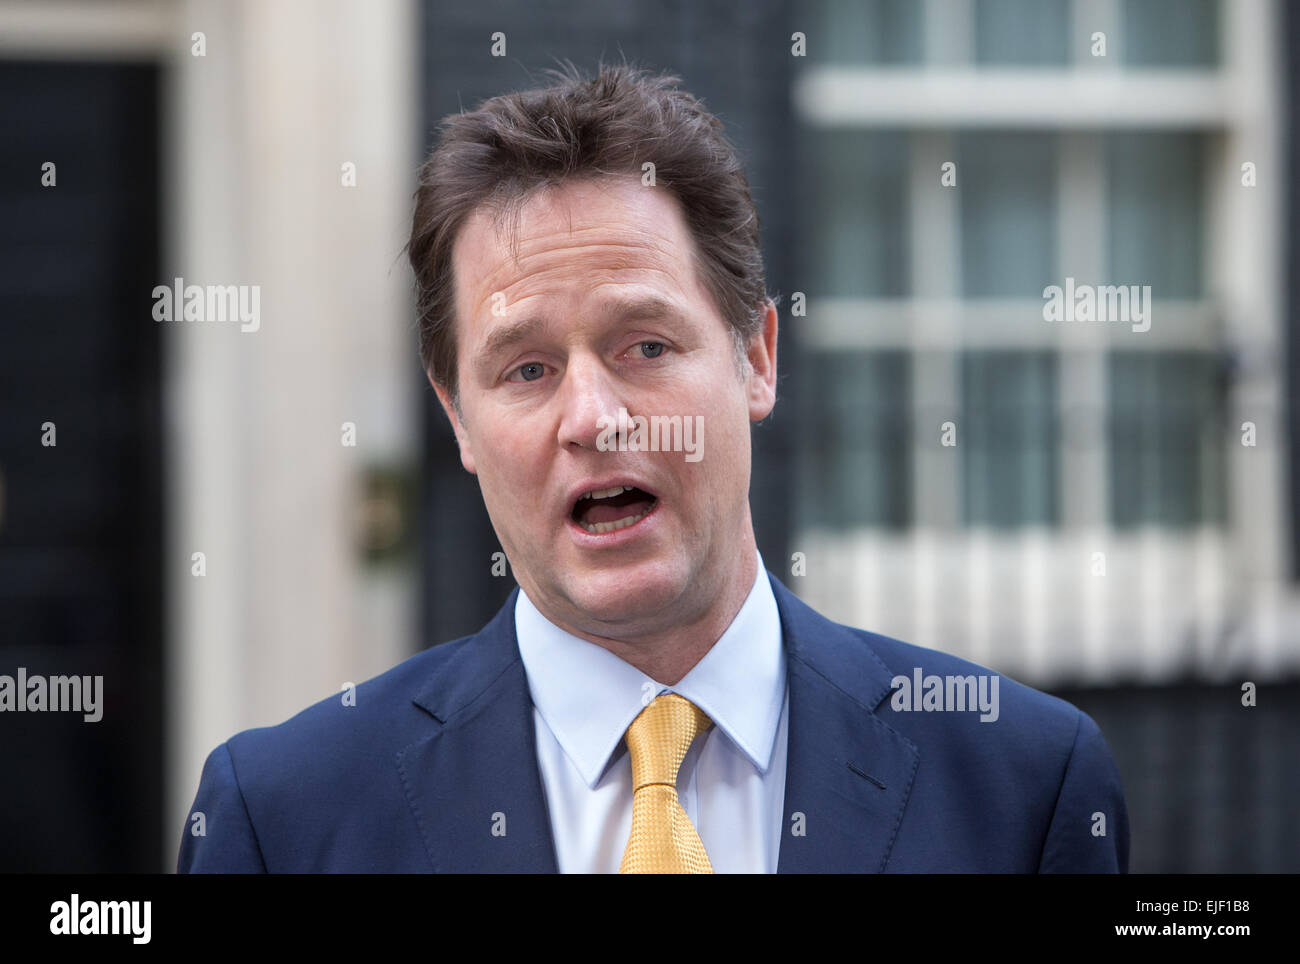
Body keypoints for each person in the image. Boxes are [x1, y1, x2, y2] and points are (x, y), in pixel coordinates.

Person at [178, 61, 1129, 874]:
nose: (592, 418)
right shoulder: (282, 820)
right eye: (528, 369)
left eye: (645, 347)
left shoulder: (1024, 784)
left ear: (755, 358)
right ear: (458, 418)